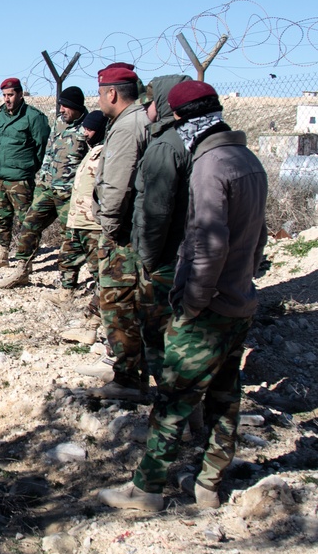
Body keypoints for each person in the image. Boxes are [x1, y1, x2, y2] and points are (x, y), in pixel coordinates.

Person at [99, 80, 268, 512]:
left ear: (183, 118)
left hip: (209, 306)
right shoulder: (247, 159)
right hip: (239, 301)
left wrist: (191, 305)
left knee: (174, 399)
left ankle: (147, 490)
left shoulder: (210, 167)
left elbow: (208, 244)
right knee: (225, 398)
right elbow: (257, 239)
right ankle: (209, 486)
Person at [87, 63, 151, 401]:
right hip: (135, 228)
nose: (98, 99)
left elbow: (116, 183)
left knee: (118, 304)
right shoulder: (138, 120)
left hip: (122, 233)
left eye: (99, 92)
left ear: (112, 93)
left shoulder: (127, 126)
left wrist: (108, 229)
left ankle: (127, 380)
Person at [132, 74, 192, 383]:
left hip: (164, 259)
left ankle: (163, 394)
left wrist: (147, 258)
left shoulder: (166, 148)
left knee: (156, 330)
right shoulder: (187, 141)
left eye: (152, 101)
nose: (147, 107)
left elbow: (156, 213)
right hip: (184, 254)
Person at [0, 86, 88, 287]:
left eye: (66, 106)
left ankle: (70, 283)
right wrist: (41, 179)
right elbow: (47, 152)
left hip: (69, 193)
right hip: (46, 188)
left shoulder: (88, 128)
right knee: (29, 225)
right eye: (61, 105)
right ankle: (22, 269)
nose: (62, 109)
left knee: (71, 237)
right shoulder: (59, 123)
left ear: (77, 107)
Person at [0, 78, 51, 268]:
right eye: (4, 95)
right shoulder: (1, 117)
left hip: (21, 179)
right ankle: (1, 254)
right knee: (0, 218)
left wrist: (29, 167)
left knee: (26, 221)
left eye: (10, 95)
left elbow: (42, 148)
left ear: (20, 94)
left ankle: (25, 259)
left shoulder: (33, 117)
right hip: (1, 177)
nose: (7, 99)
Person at [58, 110, 107, 344]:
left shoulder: (106, 153)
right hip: (78, 219)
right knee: (67, 255)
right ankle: (66, 292)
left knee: (101, 272)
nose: (85, 132)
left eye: (90, 129)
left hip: (93, 223)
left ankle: (96, 321)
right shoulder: (92, 152)